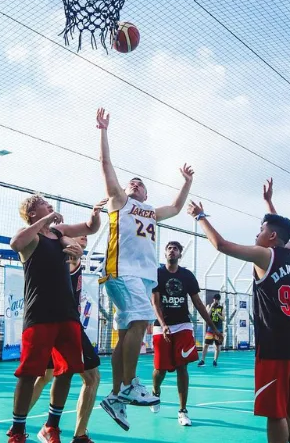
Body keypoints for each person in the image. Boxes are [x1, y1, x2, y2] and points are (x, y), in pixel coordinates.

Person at [93, 107, 194, 431]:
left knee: (126, 332)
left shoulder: (150, 210)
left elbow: (177, 207)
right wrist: (103, 131)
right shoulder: (120, 201)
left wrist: (186, 182)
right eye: (131, 181)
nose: (134, 183)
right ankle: (130, 383)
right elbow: (106, 165)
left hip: (138, 276)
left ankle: (115, 397)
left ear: (147, 194)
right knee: (141, 321)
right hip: (122, 271)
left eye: (140, 183)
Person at [187, 177, 290, 443]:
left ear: (272, 236)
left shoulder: (264, 255)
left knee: (275, 414)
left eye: (261, 229)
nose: (257, 233)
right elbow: (284, 234)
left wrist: (200, 217)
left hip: (276, 346)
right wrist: (268, 203)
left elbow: (220, 245)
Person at [6, 195, 105, 443]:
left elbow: (91, 228)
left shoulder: (59, 233)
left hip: (67, 315)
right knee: (30, 374)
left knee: (66, 371)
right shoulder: (31, 236)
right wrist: (48, 219)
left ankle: (52, 426)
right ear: (32, 213)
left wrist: (94, 212)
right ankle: (17, 431)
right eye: (44, 205)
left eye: (50, 205)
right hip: (39, 314)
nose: (50, 206)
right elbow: (15, 244)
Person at [27, 236, 101, 443]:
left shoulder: (69, 257)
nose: (84, 234)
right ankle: (79, 435)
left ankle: (19, 426)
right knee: (92, 378)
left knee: (45, 376)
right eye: (77, 231)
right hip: (65, 323)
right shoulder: (66, 256)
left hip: (54, 321)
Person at [149, 240, 218, 426]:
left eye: (176, 249)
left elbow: (198, 302)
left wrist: (212, 326)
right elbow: (155, 302)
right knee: (160, 370)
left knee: (182, 367)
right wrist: (163, 325)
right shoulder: (157, 273)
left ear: (180, 254)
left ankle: (183, 410)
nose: (172, 251)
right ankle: (155, 392)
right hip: (161, 326)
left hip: (183, 325)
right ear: (165, 253)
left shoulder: (187, 275)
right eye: (169, 248)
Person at [198, 293, 224, 367]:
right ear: (213, 299)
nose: (216, 300)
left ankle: (215, 360)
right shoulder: (209, 306)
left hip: (218, 329)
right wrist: (212, 306)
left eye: (217, 299)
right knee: (206, 344)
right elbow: (207, 315)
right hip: (210, 329)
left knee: (217, 346)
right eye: (215, 299)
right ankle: (202, 360)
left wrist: (218, 314)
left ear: (219, 300)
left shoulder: (221, 307)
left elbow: (223, 318)